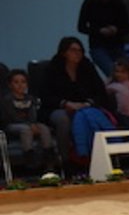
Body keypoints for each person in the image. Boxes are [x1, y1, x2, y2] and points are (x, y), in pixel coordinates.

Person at [42, 36, 115, 170]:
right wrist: (65, 103)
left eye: (80, 50)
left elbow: (100, 93)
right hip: (59, 108)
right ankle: (66, 161)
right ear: (64, 52)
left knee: (91, 117)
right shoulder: (53, 68)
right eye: (73, 50)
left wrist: (87, 103)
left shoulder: (87, 66)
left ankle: (94, 159)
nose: (77, 53)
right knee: (63, 119)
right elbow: (46, 96)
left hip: (85, 107)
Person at [2, 68, 57, 172]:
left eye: (23, 82)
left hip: (31, 124)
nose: (20, 85)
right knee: (25, 129)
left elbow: (33, 114)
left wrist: (33, 124)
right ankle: (29, 157)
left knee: (44, 128)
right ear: (10, 85)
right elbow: (13, 117)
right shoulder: (7, 100)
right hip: (13, 125)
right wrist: (29, 125)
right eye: (16, 82)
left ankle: (49, 157)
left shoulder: (31, 99)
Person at [77, 0, 129, 75]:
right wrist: (99, 31)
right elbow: (81, 27)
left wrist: (116, 30)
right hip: (98, 45)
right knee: (112, 72)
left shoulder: (118, 3)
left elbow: (126, 27)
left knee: (125, 73)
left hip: (117, 44)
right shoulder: (90, 3)